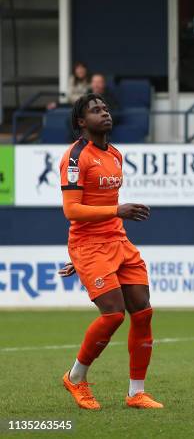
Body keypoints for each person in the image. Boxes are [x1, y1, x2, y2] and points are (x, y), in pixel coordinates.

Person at [58, 93, 162, 410]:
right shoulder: (75, 157)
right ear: (81, 122)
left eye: (105, 108)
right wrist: (116, 211)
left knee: (142, 311)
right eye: (95, 110)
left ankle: (136, 393)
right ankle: (75, 378)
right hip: (90, 245)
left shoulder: (114, 154)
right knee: (114, 314)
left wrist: (114, 217)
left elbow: (100, 206)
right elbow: (72, 211)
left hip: (117, 241)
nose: (104, 113)